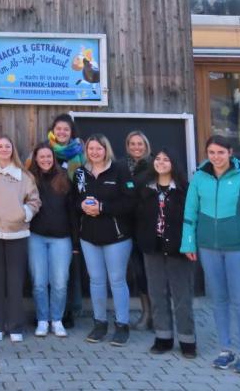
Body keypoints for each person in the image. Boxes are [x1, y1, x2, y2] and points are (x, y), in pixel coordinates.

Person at [181, 135, 240, 375]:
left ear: (230, 153)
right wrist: (188, 244)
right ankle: (225, 350)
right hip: (208, 248)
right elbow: (190, 212)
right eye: (211, 152)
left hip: (238, 249)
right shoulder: (199, 178)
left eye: (220, 152)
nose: (216, 157)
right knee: (218, 301)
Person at [0, 135, 41, 342]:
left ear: (13, 149)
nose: (4, 149)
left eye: (7, 146)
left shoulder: (24, 175)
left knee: (15, 282)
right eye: (0, 146)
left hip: (17, 233)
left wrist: (25, 214)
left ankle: (15, 327)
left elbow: (34, 200)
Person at [74, 134, 136, 346]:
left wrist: (103, 208)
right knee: (96, 280)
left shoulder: (119, 170)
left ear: (105, 149)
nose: (94, 152)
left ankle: (122, 325)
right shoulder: (80, 172)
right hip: (89, 236)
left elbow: (130, 203)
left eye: (98, 148)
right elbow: (74, 199)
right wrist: (81, 206)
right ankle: (99, 323)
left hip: (116, 236)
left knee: (117, 280)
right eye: (90, 149)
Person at [135, 148, 196, 358]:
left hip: (178, 249)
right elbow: (138, 217)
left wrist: (190, 244)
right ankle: (163, 337)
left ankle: (187, 340)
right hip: (153, 248)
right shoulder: (144, 188)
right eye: (158, 159)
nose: (160, 162)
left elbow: (192, 220)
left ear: (174, 163)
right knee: (157, 293)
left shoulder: (184, 190)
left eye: (166, 159)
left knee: (182, 295)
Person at [26, 143, 76, 338]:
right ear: (36, 159)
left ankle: (56, 320)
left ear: (53, 159)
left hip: (61, 239)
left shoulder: (63, 179)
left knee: (60, 282)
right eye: (42, 157)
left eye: (49, 156)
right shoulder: (30, 180)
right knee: (39, 281)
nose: (46, 160)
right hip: (36, 237)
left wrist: (75, 241)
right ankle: (42, 320)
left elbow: (72, 211)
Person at [47, 113, 87, 328]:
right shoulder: (44, 151)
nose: (62, 132)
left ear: (72, 133)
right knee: (48, 269)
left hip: (74, 213)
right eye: (59, 128)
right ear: (53, 130)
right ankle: (48, 312)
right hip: (49, 214)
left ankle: (69, 310)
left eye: (66, 129)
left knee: (70, 266)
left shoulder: (80, 155)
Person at [124, 130, 153, 331]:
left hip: (150, 228)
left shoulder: (154, 166)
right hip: (130, 228)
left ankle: (159, 315)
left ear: (146, 146)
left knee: (154, 273)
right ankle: (146, 313)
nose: (136, 147)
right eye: (132, 144)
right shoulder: (122, 167)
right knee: (139, 273)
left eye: (140, 144)